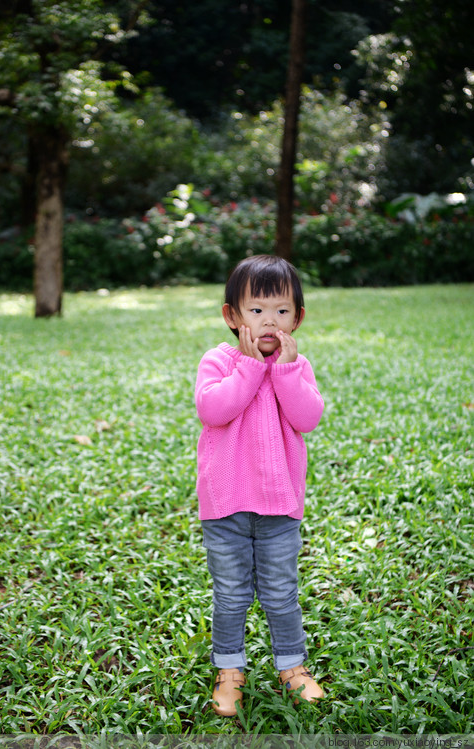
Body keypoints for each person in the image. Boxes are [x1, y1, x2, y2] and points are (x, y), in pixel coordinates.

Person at [194, 254, 325, 717]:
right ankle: (230, 669)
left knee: (280, 592)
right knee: (230, 593)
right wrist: (250, 368)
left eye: (282, 311)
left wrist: (286, 371)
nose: (269, 321)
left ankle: (292, 666)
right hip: (226, 506)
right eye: (256, 311)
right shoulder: (219, 361)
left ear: (298, 317)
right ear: (232, 315)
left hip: (279, 508)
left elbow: (307, 418)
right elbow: (213, 411)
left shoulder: (296, 365)